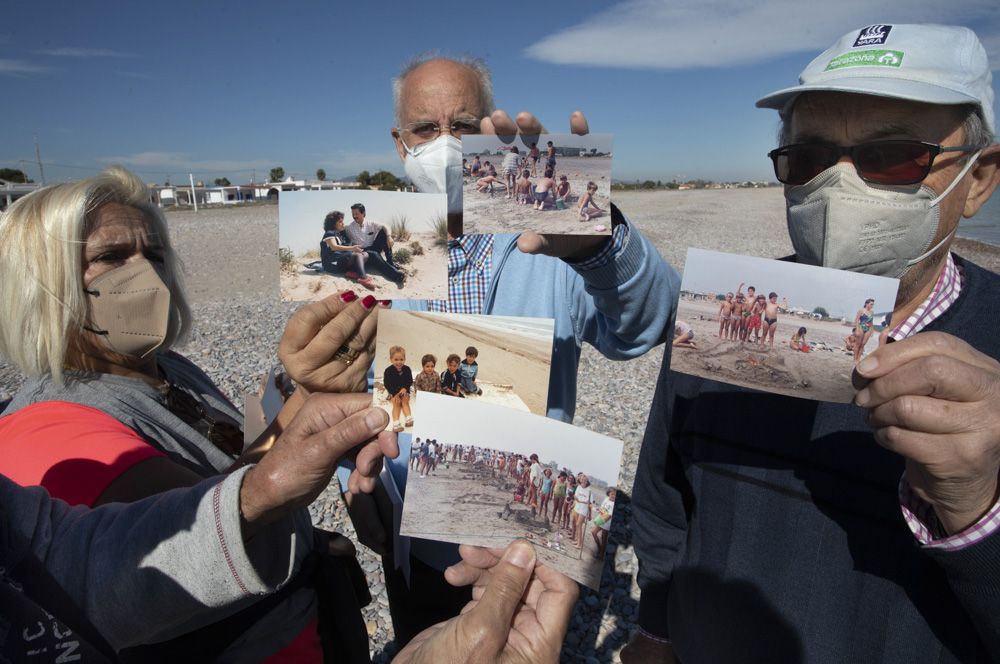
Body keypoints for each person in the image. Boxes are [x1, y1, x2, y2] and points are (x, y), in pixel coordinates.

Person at [627, 24, 1000, 663]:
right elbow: (666, 498)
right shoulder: (722, 315)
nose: (839, 188)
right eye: (810, 157)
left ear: (978, 181)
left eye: (891, 157)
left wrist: (980, 511)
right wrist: (656, 631)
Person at [352, 52, 675, 646]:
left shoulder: (547, 231)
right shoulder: (378, 251)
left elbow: (647, 326)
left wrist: (597, 247)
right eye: (426, 129)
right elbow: (347, 380)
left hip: (526, 544)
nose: (445, 144)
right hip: (414, 540)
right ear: (401, 144)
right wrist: (359, 476)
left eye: (465, 125)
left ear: (492, 132)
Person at [346, 203, 406, 284]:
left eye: (356, 214)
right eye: (353, 214)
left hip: (373, 247)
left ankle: (390, 261)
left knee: (384, 232)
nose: (354, 216)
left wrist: (389, 236)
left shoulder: (370, 223)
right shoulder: (349, 228)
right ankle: (397, 276)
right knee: (373, 254)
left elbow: (385, 226)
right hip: (362, 252)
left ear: (363, 213)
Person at [320, 210, 377, 290]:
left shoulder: (339, 234)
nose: (343, 223)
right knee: (355, 255)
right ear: (333, 224)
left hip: (340, 260)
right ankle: (363, 278)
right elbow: (334, 247)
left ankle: (351, 273)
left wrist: (355, 248)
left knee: (365, 254)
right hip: (331, 264)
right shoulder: (329, 233)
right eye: (340, 222)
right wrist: (352, 248)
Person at [383, 345, 413, 433]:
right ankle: (396, 423)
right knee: (396, 403)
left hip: (404, 390)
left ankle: (408, 418)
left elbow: (409, 381)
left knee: (405, 400)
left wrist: (405, 388)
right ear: (391, 359)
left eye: (401, 359)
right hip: (393, 391)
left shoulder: (407, 369)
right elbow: (387, 384)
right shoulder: (388, 371)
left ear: (404, 359)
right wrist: (394, 394)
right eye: (396, 360)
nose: (399, 362)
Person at [591, 487, 616, 560]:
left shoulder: (614, 503)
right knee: (593, 532)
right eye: (612, 494)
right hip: (601, 519)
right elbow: (602, 508)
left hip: (607, 522)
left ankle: (601, 555)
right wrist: (599, 510)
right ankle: (600, 548)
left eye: (615, 494)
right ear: (609, 493)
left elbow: (610, 515)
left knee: (604, 539)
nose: (613, 496)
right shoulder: (606, 499)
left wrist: (602, 520)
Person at [853, 298, 876, 364]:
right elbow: (856, 320)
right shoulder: (861, 310)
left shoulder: (872, 312)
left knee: (863, 344)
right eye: (871, 304)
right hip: (861, 327)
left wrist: (872, 331)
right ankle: (855, 359)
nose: (872, 306)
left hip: (868, 328)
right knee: (858, 344)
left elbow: (871, 322)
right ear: (866, 304)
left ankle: (858, 359)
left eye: (873, 305)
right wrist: (857, 329)